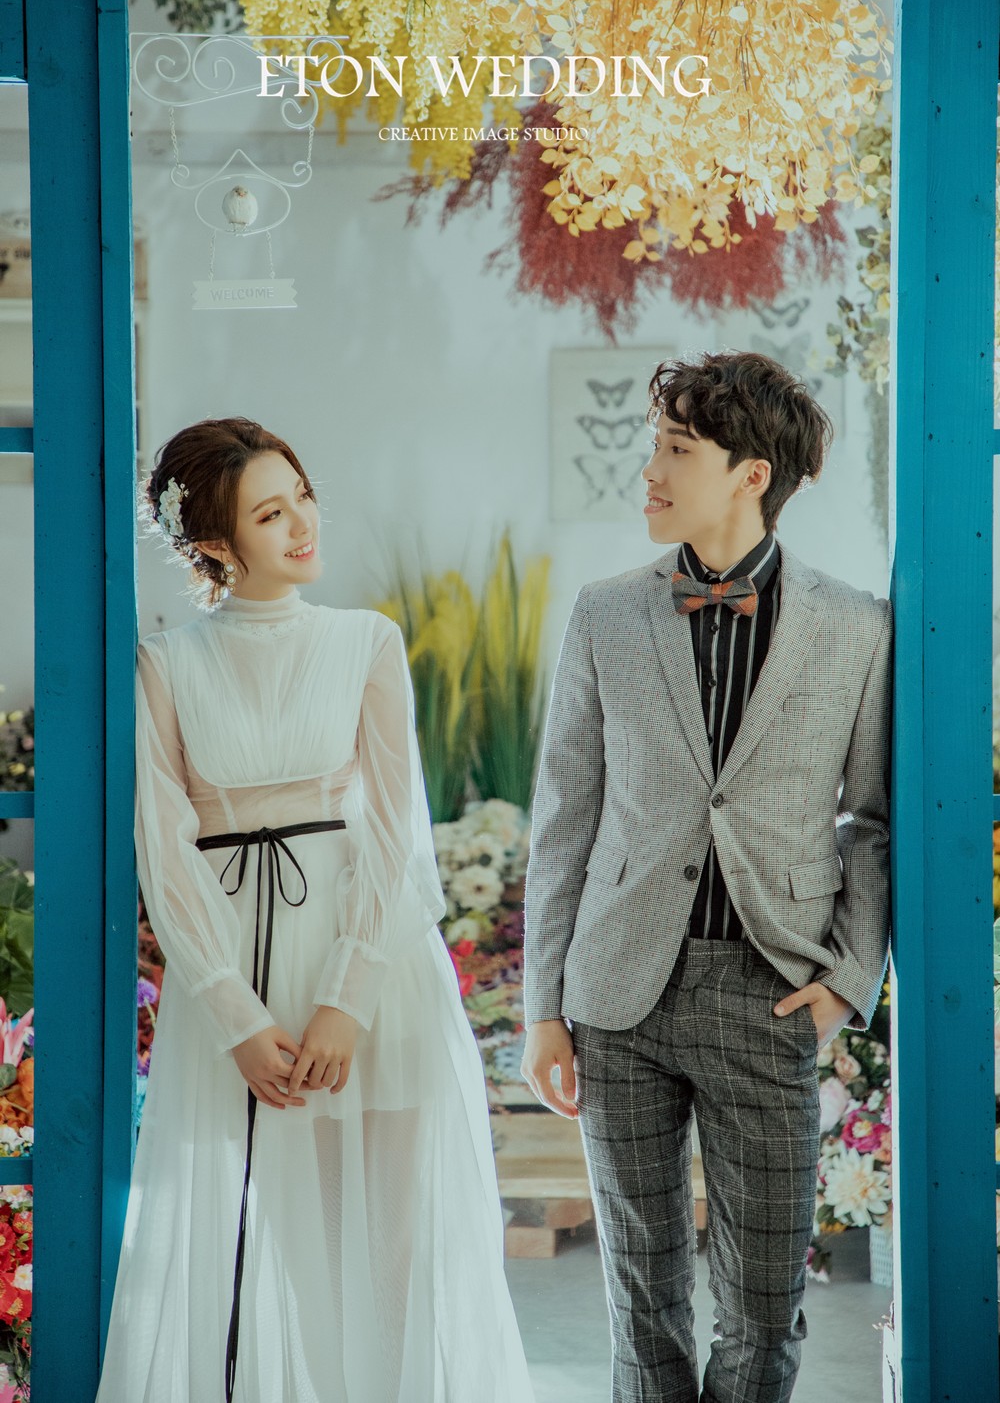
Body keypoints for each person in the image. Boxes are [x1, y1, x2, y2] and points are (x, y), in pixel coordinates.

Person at [97, 417, 534, 1403]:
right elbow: (164, 850)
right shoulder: (164, 665)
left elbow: (397, 833)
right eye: (269, 513)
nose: (302, 524)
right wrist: (235, 1016)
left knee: (392, 1251)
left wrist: (348, 997)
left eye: (302, 497)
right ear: (215, 542)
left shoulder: (365, 641)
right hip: (240, 976)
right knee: (286, 1247)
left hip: (370, 968)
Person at [521, 351, 892, 1403]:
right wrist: (543, 1008)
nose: (648, 470)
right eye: (654, 446)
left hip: (769, 990)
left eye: (676, 450)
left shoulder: (856, 627)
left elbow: (870, 822)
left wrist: (848, 978)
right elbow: (564, 818)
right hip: (618, 995)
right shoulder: (604, 613)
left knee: (764, 1313)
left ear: (750, 474)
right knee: (641, 1308)